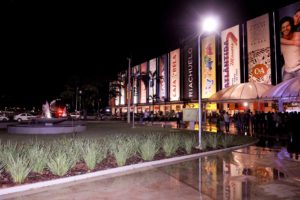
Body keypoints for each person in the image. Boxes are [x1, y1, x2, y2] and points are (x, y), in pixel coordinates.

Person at [279, 16, 300, 81]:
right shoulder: (280, 41)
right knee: (284, 90)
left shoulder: (298, 35)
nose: (285, 29)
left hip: (299, 68)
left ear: (291, 26)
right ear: (281, 30)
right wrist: (293, 42)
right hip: (288, 71)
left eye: (288, 26)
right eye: (283, 27)